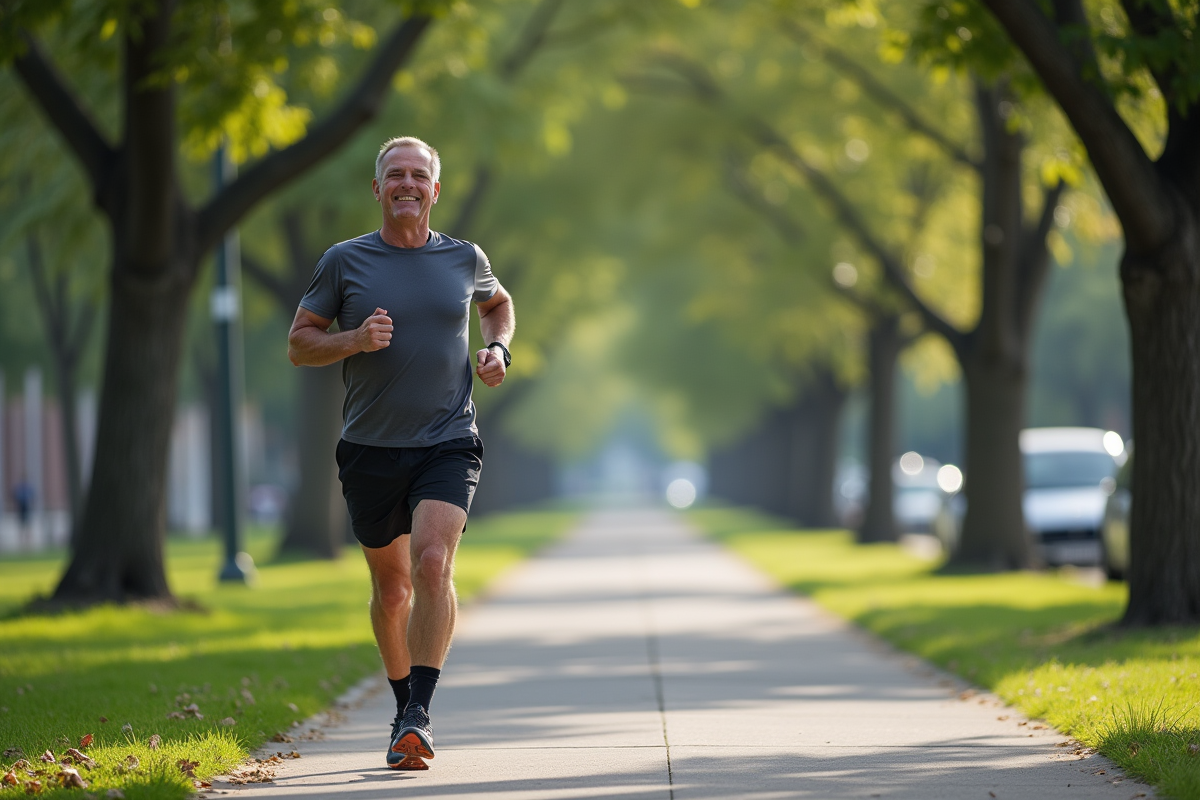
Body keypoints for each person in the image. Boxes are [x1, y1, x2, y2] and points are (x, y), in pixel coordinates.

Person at [287, 136, 514, 771]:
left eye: (419, 175)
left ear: (435, 190)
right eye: (395, 175)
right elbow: (300, 344)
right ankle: (399, 707)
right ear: (378, 188)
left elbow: (498, 305)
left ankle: (418, 714)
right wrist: (355, 339)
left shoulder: (465, 258)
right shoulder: (343, 261)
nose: (407, 184)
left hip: (448, 439)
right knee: (391, 592)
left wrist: (498, 350)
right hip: (369, 447)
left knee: (433, 562)